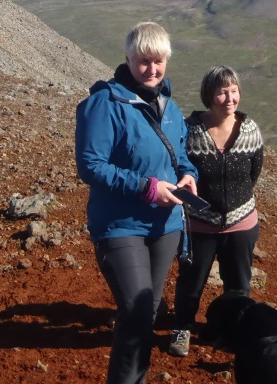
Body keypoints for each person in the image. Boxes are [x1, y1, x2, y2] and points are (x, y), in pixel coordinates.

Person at [75, 21, 198, 384]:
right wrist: (147, 188)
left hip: (166, 226)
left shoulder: (169, 106)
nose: (152, 69)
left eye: (158, 61)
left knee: (147, 313)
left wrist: (190, 175)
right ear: (128, 58)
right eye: (143, 61)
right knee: (137, 307)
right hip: (120, 225)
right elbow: (91, 166)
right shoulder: (104, 103)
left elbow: (181, 156)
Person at [169, 65, 264, 357]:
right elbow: (177, 170)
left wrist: (235, 206)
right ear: (209, 95)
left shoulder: (250, 130)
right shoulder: (189, 130)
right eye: (222, 92)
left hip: (241, 223)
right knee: (191, 282)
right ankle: (182, 327)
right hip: (199, 225)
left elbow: (254, 172)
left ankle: (234, 330)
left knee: (238, 283)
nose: (230, 98)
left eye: (234, 91)